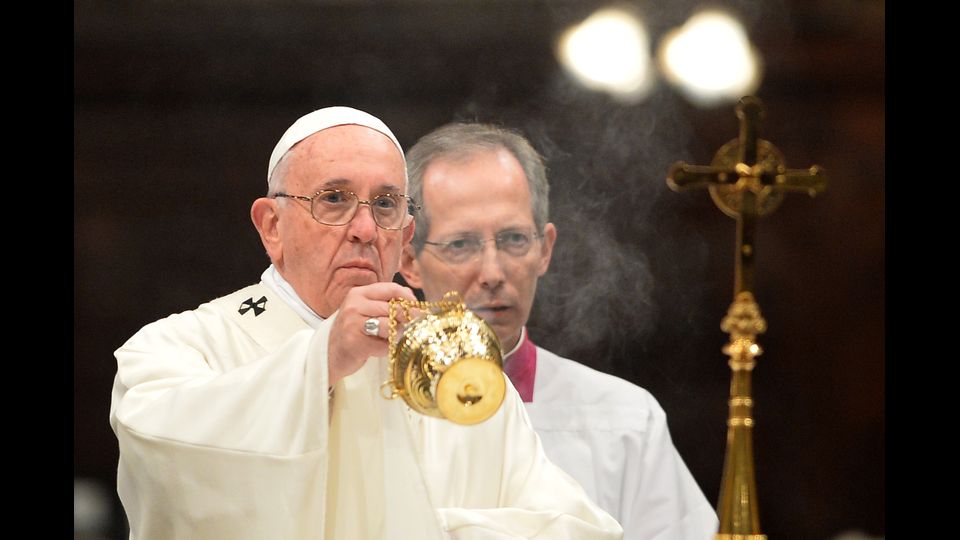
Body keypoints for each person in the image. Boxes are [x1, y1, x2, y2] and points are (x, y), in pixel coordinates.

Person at [109, 106, 624, 540]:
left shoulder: (459, 375)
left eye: (385, 204)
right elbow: (170, 473)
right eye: (334, 199)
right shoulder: (175, 350)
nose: (364, 229)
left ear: (406, 237)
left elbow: (579, 529)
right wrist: (324, 359)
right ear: (272, 226)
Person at [399, 122, 719, 540]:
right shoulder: (365, 412)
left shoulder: (624, 421)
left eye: (514, 239)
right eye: (461, 244)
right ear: (408, 260)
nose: (493, 273)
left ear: (545, 249)